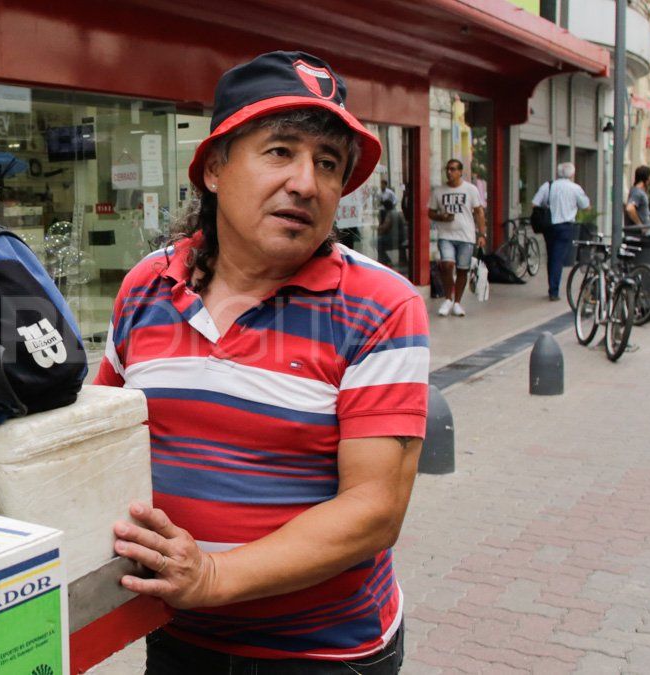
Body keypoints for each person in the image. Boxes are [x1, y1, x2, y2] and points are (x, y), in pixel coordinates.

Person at [97, 51, 428, 673]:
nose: (306, 182)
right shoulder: (146, 286)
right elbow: (103, 441)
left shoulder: (381, 305)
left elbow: (374, 509)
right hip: (176, 632)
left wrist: (215, 574)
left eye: (327, 163)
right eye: (281, 151)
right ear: (216, 168)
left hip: (323, 654)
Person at [428, 158, 487, 317]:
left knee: (462, 269)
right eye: (447, 169)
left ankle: (457, 302)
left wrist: (481, 234)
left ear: (460, 172)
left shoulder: (471, 189)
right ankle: (448, 298)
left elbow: (479, 212)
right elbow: (430, 212)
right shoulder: (439, 191)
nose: (449, 172)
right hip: (446, 234)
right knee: (447, 265)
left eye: (453, 169)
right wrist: (442, 217)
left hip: (466, 236)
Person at [531, 162, 590, 301]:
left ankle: (552, 285)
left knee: (551, 256)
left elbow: (535, 203)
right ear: (572, 174)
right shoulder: (575, 188)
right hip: (565, 226)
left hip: (549, 226)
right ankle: (554, 291)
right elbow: (586, 206)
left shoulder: (548, 186)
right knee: (558, 257)